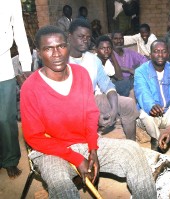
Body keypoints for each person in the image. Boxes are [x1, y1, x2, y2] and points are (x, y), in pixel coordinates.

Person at [20, 25, 157, 199]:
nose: (56, 54)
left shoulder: (81, 74)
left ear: (67, 46)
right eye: (48, 48)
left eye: (61, 46)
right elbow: (34, 137)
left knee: (133, 150)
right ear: (39, 53)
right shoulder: (30, 88)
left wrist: (93, 148)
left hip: (85, 142)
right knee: (62, 186)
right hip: (50, 150)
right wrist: (76, 158)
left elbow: (91, 115)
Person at [68, 19, 139, 141]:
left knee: (128, 104)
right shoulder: (61, 60)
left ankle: (132, 145)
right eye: (81, 36)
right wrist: (94, 115)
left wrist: (114, 108)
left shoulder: (93, 60)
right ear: (70, 37)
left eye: (88, 37)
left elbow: (108, 85)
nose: (85, 40)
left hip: (92, 99)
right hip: (70, 105)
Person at [0, 0, 32, 178]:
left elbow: (19, 31)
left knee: (6, 119)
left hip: (3, 69)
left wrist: (26, 64)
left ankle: (10, 159)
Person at [112, 30, 148, 97]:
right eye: (116, 39)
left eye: (121, 38)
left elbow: (144, 59)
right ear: (112, 40)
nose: (119, 41)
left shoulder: (128, 52)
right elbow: (110, 67)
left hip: (131, 81)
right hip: (118, 83)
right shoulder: (110, 53)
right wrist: (128, 70)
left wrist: (137, 70)